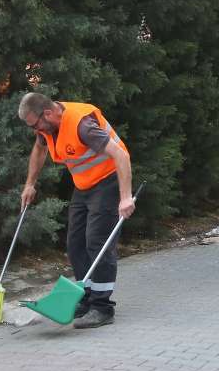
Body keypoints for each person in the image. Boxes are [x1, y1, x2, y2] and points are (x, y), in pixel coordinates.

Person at [18, 93, 135, 329]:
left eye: (35, 125)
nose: (35, 130)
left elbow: (121, 155)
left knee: (97, 242)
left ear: (47, 113)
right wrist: (30, 184)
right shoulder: (47, 127)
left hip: (108, 181)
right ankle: (85, 298)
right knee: (75, 244)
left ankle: (102, 307)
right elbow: (39, 149)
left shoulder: (83, 126)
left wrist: (125, 198)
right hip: (84, 185)